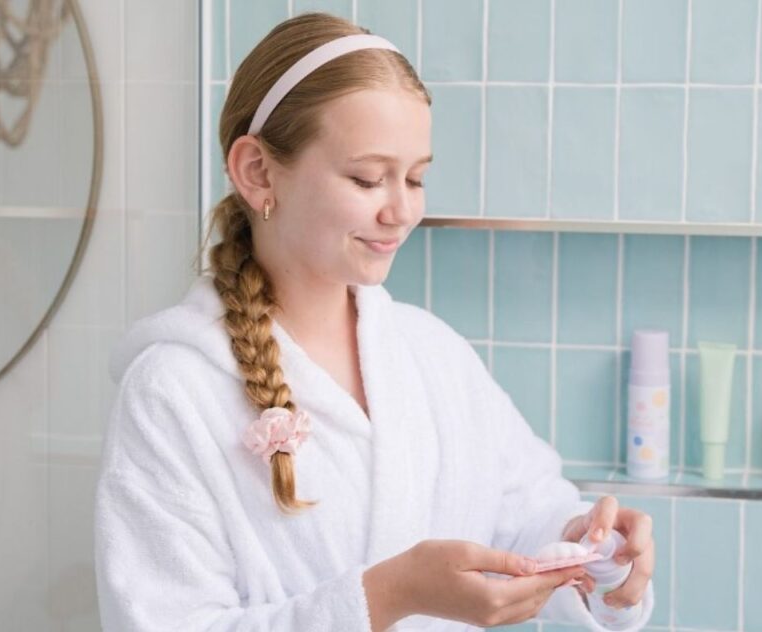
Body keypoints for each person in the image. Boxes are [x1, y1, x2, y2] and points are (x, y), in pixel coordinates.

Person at [94, 12, 654, 632]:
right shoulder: (174, 390)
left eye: (415, 178)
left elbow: (528, 512)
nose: (402, 211)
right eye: (367, 178)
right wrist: (385, 596)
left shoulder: (432, 353)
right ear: (257, 171)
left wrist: (591, 548)